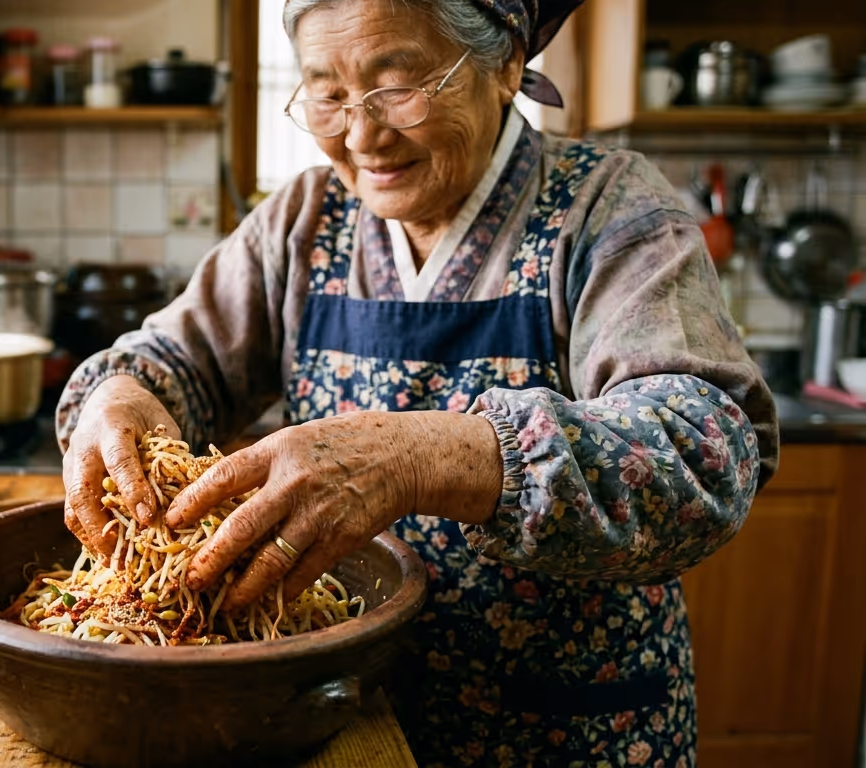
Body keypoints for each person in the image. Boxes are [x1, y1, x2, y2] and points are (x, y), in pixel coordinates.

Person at [54, 0, 779, 763]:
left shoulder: (609, 208)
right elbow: (170, 360)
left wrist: (422, 458)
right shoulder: (307, 218)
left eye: (398, 86)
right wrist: (124, 393)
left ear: (503, 67)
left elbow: (704, 451)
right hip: (341, 720)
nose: (361, 136)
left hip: (559, 726)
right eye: (327, 94)